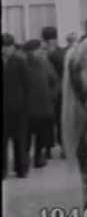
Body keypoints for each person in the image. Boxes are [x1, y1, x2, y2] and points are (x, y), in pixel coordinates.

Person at [24, 39, 59, 168]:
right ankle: (25, 157)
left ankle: (38, 156)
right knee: (26, 136)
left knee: (41, 135)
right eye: (37, 50)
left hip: (44, 106)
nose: (40, 52)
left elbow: (55, 81)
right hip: (27, 108)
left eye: (40, 50)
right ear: (29, 51)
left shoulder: (46, 64)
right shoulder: (22, 64)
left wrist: (52, 96)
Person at [2, 33, 30, 179]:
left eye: (7, 46)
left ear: (13, 47)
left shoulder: (20, 62)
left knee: (20, 140)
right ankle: (3, 170)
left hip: (19, 109)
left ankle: (21, 169)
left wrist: (25, 105)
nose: (5, 50)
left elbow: (27, 85)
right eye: (3, 47)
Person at [41, 26, 66, 158]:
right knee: (60, 120)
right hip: (61, 92)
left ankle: (48, 149)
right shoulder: (62, 52)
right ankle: (63, 147)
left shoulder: (44, 54)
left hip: (49, 93)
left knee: (48, 121)